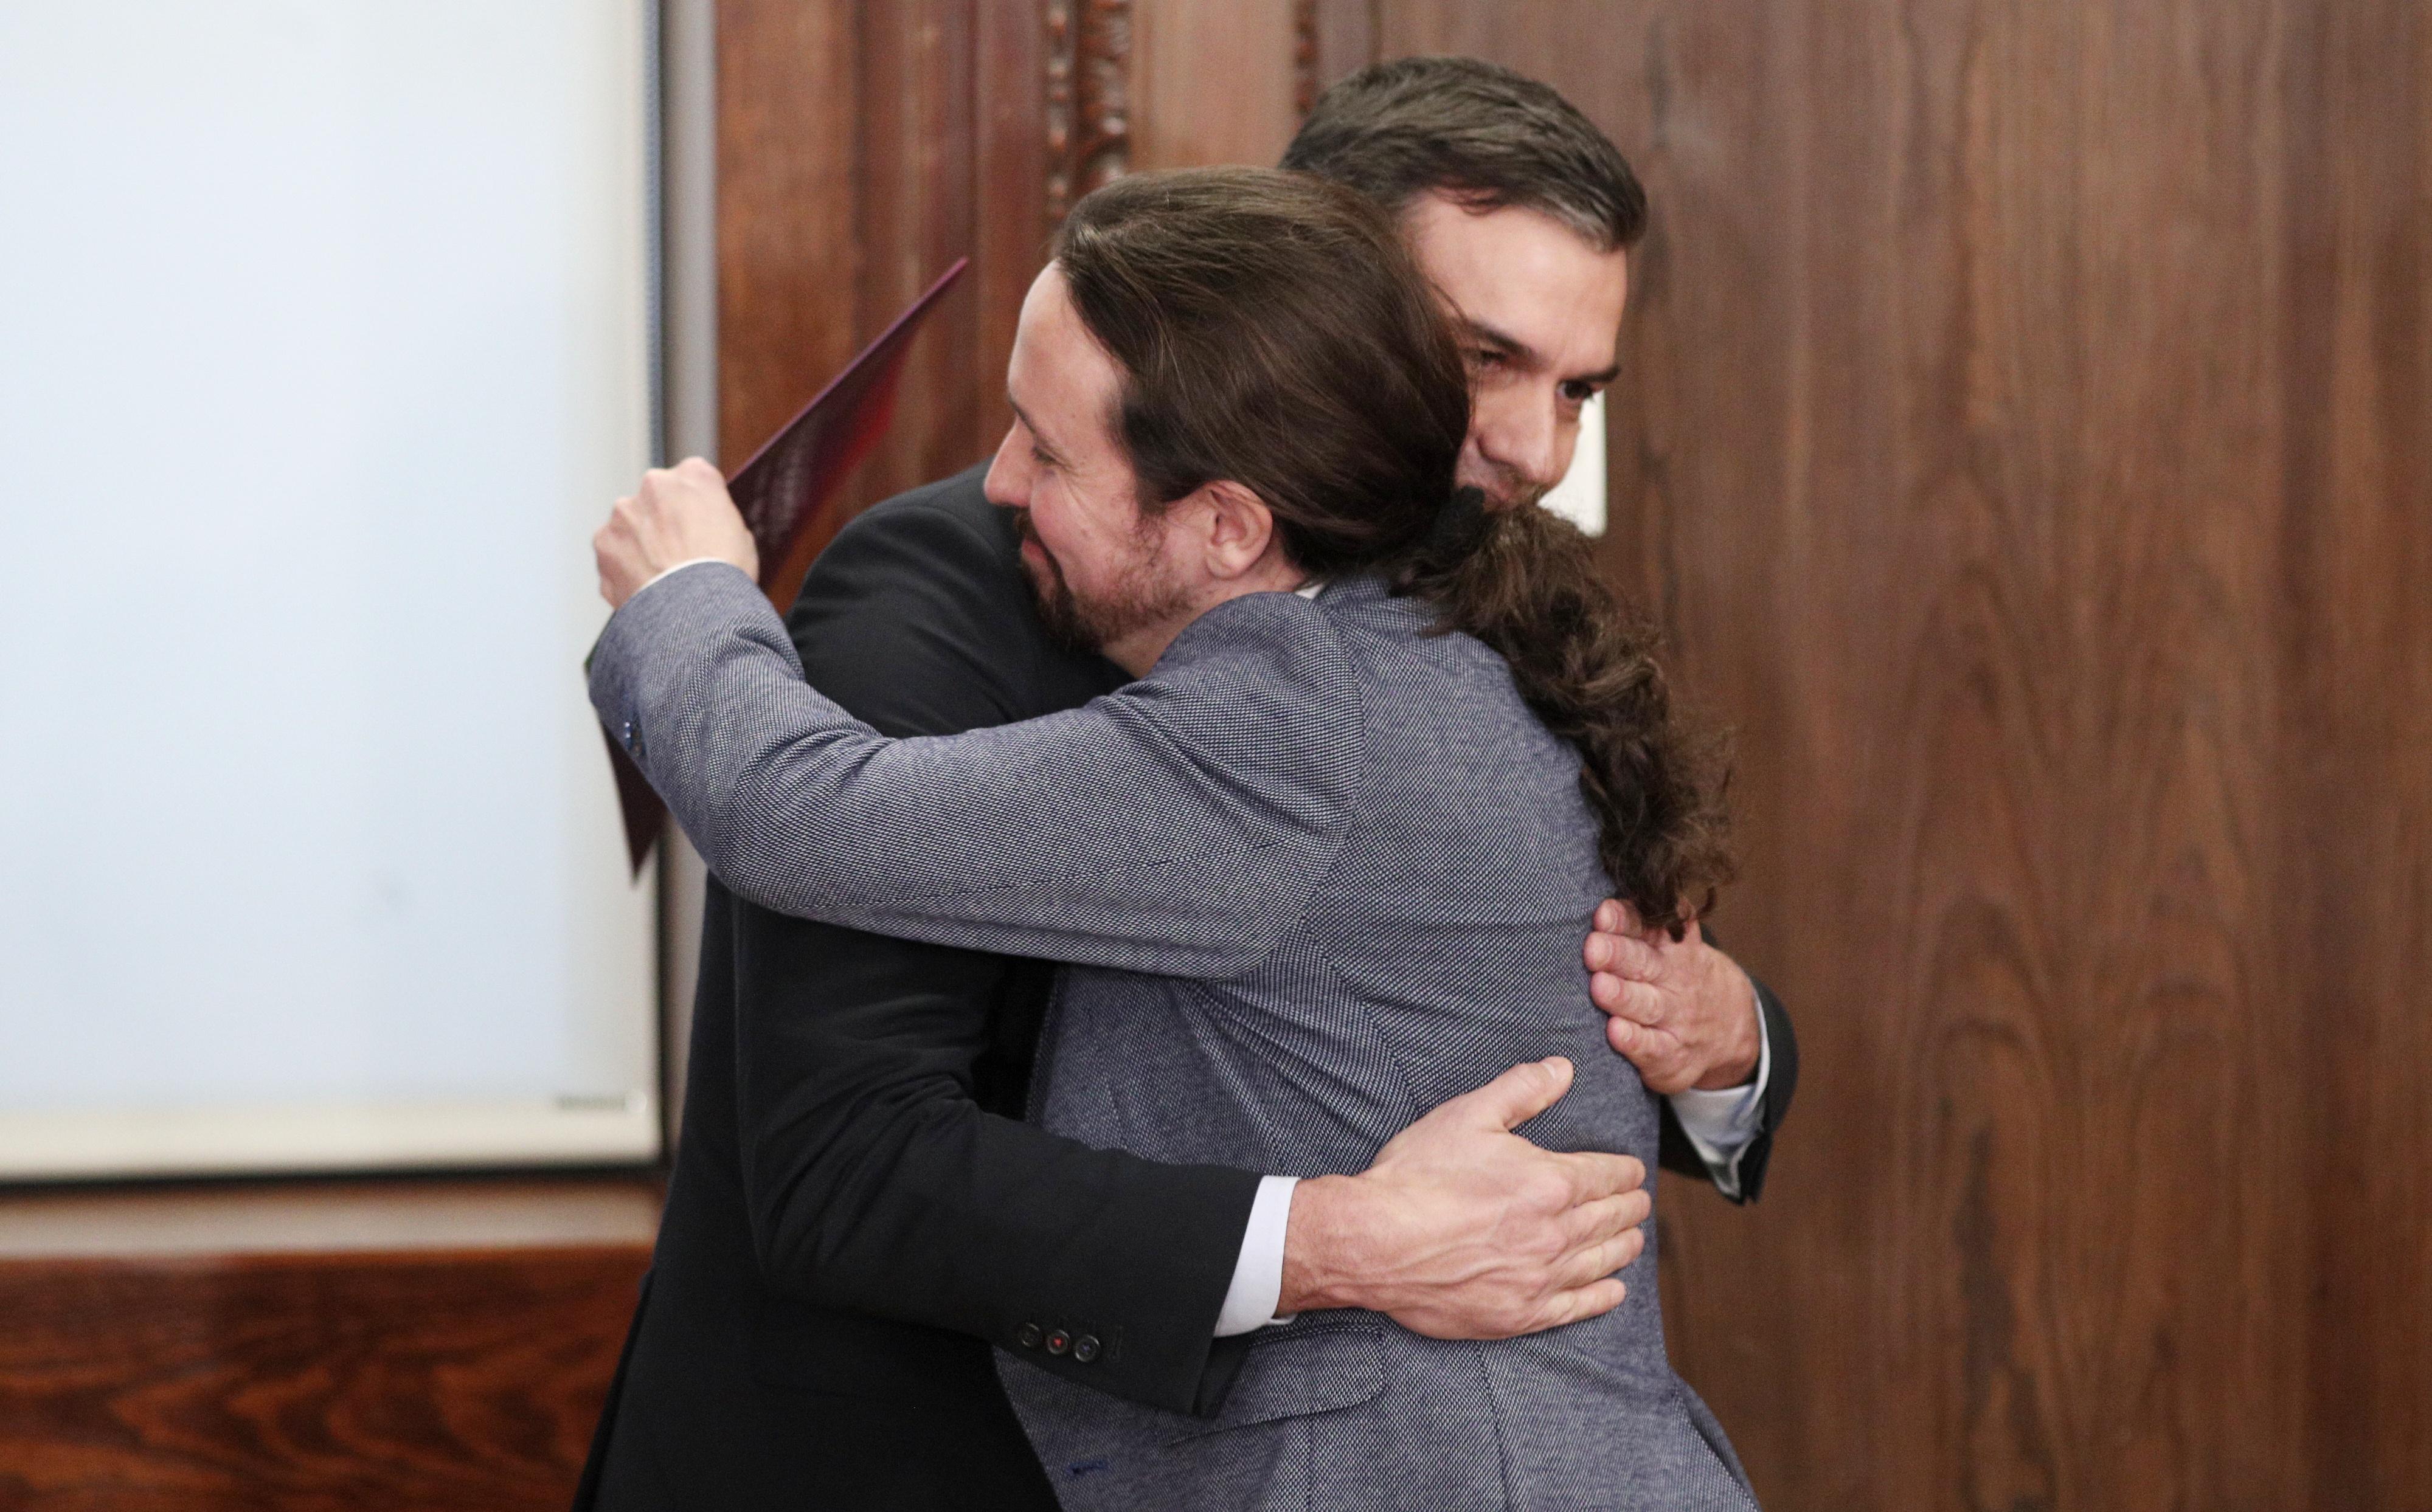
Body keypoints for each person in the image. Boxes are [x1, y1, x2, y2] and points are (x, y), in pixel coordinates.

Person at [575, 56, 1796, 1512]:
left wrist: (1725, 1042)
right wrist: (1335, 1238)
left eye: (1576, 388)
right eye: (1481, 359)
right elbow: (850, 1163)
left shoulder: (1430, 630)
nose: (1531, 448)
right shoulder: (954, 590)